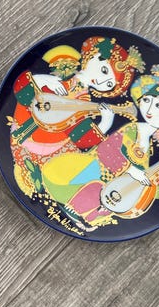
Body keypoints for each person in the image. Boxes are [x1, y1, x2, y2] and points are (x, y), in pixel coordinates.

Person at [41, 66, 159, 231]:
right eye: (147, 100)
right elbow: (106, 151)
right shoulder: (132, 129)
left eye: (158, 106)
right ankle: (78, 207)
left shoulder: (147, 148)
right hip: (78, 175)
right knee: (97, 183)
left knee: (116, 197)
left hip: (105, 193)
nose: (149, 109)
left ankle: (87, 214)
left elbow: (148, 188)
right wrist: (131, 171)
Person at [10, 36, 145, 197]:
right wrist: (45, 79)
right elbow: (20, 90)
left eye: (109, 84)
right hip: (22, 127)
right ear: (93, 55)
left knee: (86, 162)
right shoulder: (64, 67)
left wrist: (106, 122)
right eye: (104, 70)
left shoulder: (83, 101)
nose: (101, 81)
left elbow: (81, 136)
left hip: (47, 147)